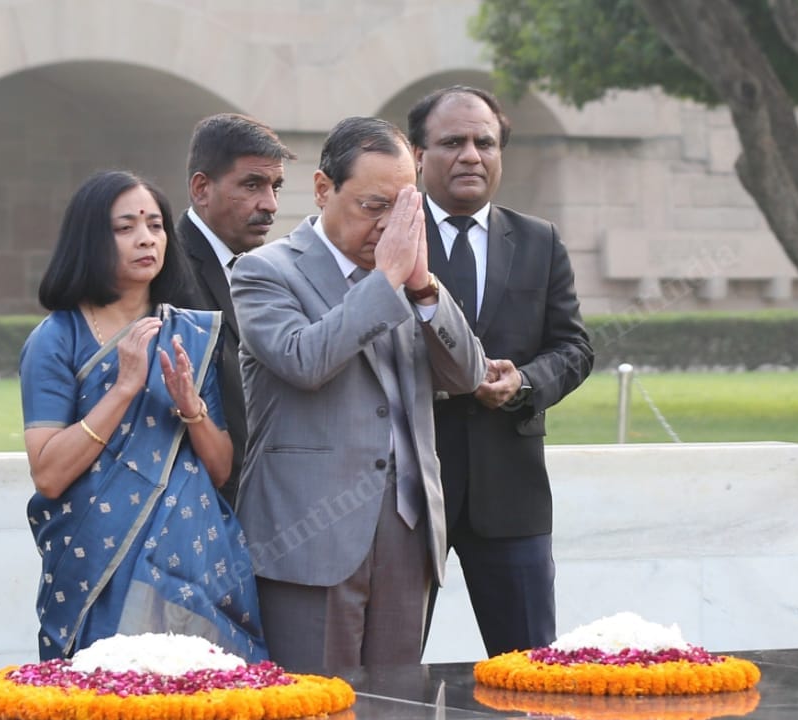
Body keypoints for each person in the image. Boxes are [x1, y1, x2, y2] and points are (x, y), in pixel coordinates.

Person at [231, 116, 487, 673]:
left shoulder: (405, 275)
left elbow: (468, 375)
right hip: (311, 531)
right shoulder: (264, 272)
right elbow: (304, 360)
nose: (386, 226)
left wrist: (422, 288)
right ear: (324, 189)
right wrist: (387, 281)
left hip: (409, 530)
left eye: (401, 210)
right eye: (373, 206)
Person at [19, 169, 267, 663]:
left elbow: (219, 470)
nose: (146, 239)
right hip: (99, 562)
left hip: (194, 564)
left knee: (208, 711)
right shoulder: (57, 338)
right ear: (90, 238)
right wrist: (125, 387)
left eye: (154, 225)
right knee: (110, 706)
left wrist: (191, 408)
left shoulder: (188, 334)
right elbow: (48, 474)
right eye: (125, 227)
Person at [407, 85, 594, 657]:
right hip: (410, 492)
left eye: (484, 142)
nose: (471, 155)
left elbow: (574, 347)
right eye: (452, 142)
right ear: (417, 155)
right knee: (389, 675)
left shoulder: (539, 240)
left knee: (532, 669)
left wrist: (524, 383)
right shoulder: (387, 237)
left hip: (511, 493)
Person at [177, 113, 295, 504]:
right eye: (252, 185)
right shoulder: (168, 272)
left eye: (276, 186)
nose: (270, 204)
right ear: (201, 189)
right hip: (198, 507)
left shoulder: (267, 269)